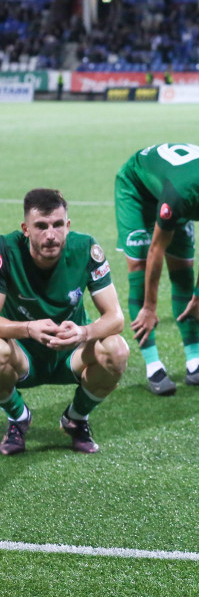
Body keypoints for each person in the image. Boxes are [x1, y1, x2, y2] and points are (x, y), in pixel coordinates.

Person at [115, 143, 199, 395]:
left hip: (179, 187)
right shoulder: (180, 197)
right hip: (137, 188)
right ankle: (153, 367)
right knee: (139, 265)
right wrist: (149, 307)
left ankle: (195, 365)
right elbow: (156, 249)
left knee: (182, 269)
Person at [0, 189, 129, 455]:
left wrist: (84, 332)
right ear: (26, 228)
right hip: (23, 354)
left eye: (58, 225)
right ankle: (17, 417)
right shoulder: (6, 250)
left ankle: (76, 418)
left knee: (117, 350)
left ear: (67, 226)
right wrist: (26, 328)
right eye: (41, 226)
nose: (50, 234)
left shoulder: (86, 249)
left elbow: (115, 317)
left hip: (73, 352)